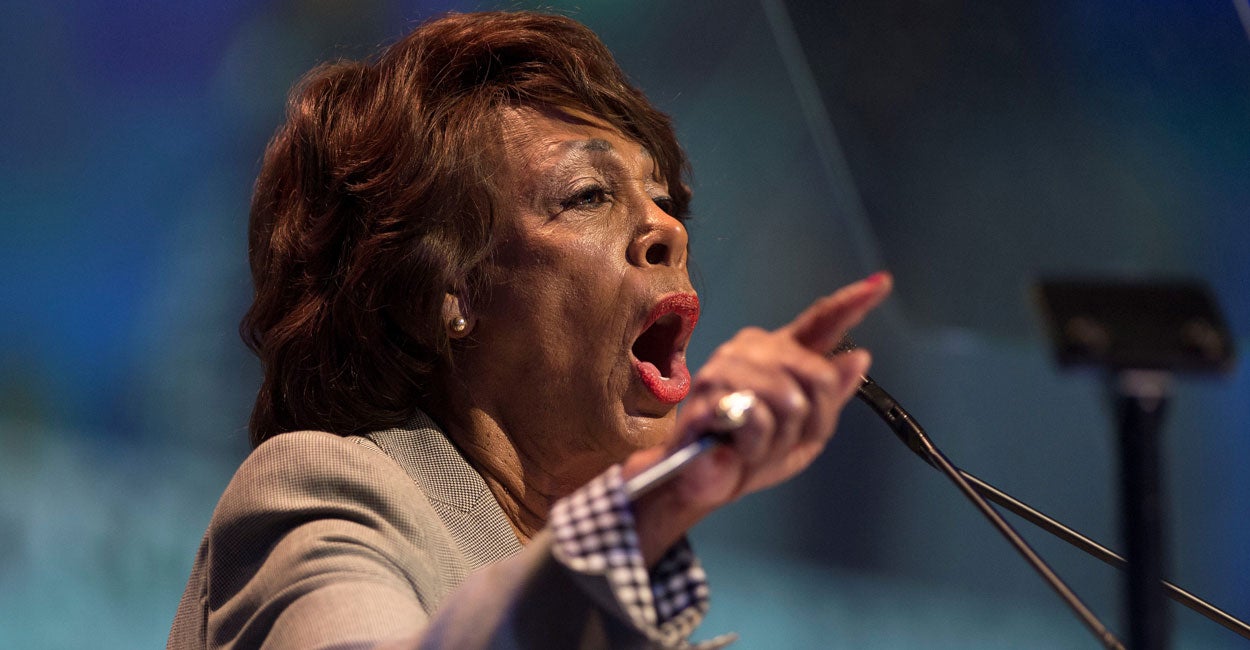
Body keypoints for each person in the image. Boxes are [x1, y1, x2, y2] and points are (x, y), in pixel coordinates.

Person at [169, 10, 891, 649]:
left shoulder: (612, 602)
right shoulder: (325, 489)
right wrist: (663, 500)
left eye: (664, 198)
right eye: (589, 195)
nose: (667, 229)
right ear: (447, 291)